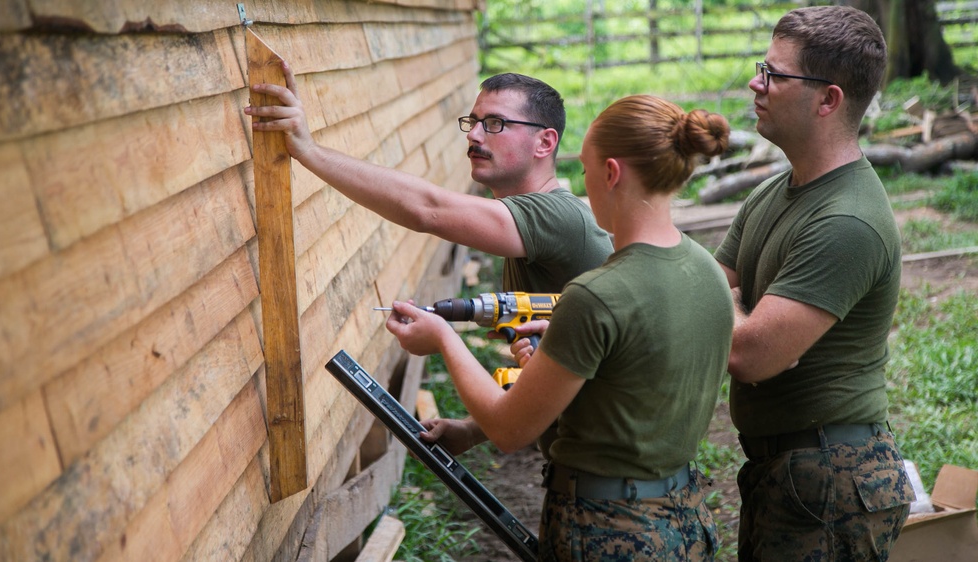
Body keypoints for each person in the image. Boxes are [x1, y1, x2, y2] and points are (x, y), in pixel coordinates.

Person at [386, 95, 733, 560]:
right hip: (684, 519)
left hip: (605, 532)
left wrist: (444, 339)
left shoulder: (595, 295)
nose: (582, 186)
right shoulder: (706, 269)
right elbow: (635, 388)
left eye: (585, 170)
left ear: (611, 174)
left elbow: (509, 430)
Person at [247, 65, 613, 455]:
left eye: (494, 123)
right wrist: (473, 430)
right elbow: (558, 373)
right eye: (473, 122)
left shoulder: (557, 218)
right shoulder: (534, 228)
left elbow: (428, 209)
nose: (474, 134)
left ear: (545, 142)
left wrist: (307, 150)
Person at [711, 6, 915, 561]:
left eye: (775, 74)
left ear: (828, 100)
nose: (756, 83)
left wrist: (729, 307)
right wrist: (731, 304)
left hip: (830, 483)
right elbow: (699, 290)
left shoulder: (847, 220)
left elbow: (751, 355)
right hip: (789, 472)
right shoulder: (773, 191)